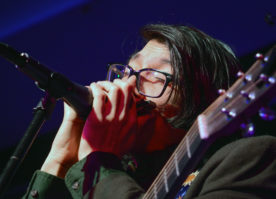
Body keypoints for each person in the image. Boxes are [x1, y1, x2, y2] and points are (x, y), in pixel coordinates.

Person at [22, 24, 276, 199]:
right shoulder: (108, 176)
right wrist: (60, 161)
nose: (127, 84)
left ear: (206, 95)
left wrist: (98, 164)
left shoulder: (253, 158)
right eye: (127, 72)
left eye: (154, 74)